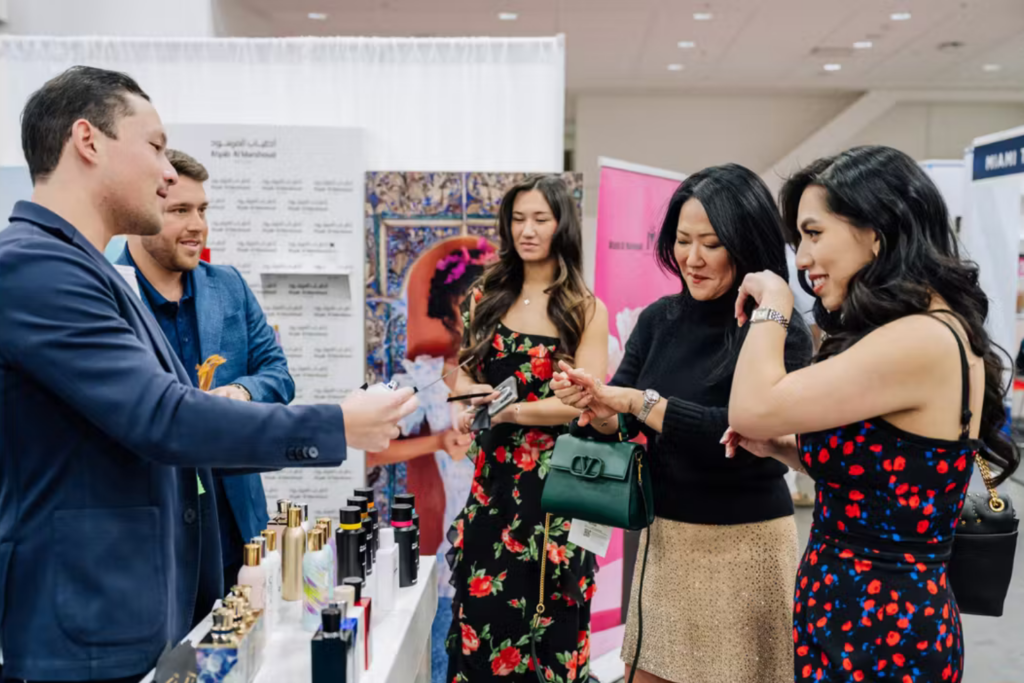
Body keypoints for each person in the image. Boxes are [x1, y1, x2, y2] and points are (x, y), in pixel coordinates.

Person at [0, 66, 417, 683]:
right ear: (87, 141)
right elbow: (164, 417)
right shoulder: (36, 269)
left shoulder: (81, 271)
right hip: (82, 626)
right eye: (156, 147)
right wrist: (336, 425)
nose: (168, 172)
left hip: (131, 614)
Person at [724, 145, 1019, 682]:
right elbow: (887, 482)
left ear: (876, 230)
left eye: (813, 235)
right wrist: (784, 448)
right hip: (850, 614)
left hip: (883, 629)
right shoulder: (914, 330)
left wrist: (772, 299)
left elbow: (751, 406)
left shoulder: (921, 338)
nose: (803, 259)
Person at [551, 164, 813, 683]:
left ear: (745, 243)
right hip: (666, 542)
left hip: (748, 546)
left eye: (710, 243)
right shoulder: (658, 319)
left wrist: (639, 403)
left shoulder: (775, 327)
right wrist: (600, 408)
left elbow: (739, 431)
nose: (691, 259)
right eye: (682, 240)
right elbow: (621, 426)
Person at [444, 175, 608, 681]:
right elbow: (463, 367)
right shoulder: (485, 294)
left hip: (557, 486)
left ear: (562, 224)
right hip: (494, 484)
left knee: (551, 618)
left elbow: (583, 399)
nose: (527, 230)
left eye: (540, 218)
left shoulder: (585, 308)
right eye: (518, 219)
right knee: (483, 613)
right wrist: (462, 395)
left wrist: (509, 413)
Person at [115, 149, 291, 599]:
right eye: (180, 211)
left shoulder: (229, 284)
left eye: (202, 209)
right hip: (150, 530)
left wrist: (238, 392)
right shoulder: (106, 291)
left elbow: (278, 375)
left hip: (235, 524)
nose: (198, 225)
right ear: (137, 213)